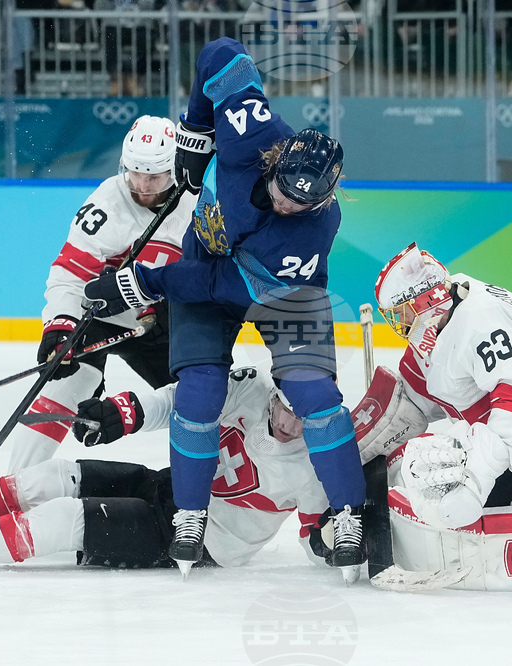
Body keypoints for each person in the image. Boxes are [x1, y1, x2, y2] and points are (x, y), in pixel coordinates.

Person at [82, 37, 366, 579]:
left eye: (297, 202)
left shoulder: (307, 235)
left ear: (323, 200)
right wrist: (194, 131)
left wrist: (143, 282)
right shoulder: (252, 135)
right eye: (282, 189)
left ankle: (347, 511)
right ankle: (191, 514)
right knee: (200, 391)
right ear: (277, 159)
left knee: (316, 397)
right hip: (207, 267)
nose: (284, 203)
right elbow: (220, 54)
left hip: (276, 293)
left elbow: (219, 286)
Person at [0, 368, 333, 572]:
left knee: (66, 518)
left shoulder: (318, 461)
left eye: (304, 415)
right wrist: (123, 411)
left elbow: (317, 530)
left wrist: (333, 539)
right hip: (171, 487)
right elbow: (176, 400)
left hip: (201, 542)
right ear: (274, 393)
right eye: (286, 408)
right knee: (53, 475)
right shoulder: (249, 384)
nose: (293, 423)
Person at [356, 242, 512, 530]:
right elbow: (416, 392)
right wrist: (357, 446)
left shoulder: (482, 322)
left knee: (440, 500)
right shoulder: (448, 308)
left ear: (426, 302)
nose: (400, 323)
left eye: (402, 312)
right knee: (421, 469)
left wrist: (474, 481)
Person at [8, 115, 196, 473]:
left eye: (153, 175)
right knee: (62, 383)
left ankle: (210, 492)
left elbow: (213, 277)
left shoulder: (198, 205)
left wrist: (180, 310)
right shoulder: (108, 201)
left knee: (203, 402)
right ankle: (10, 486)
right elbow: (70, 272)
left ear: (173, 169)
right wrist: (60, 326)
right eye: (134, 172)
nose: (141, 184)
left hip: (162, 328)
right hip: (101, 318)